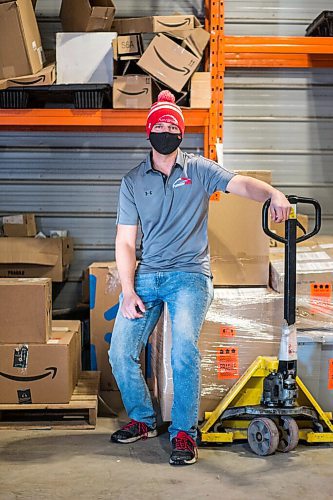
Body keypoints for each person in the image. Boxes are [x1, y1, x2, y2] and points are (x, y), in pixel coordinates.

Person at [109, 90, 291, 466]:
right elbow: (125, 242)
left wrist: (272, 193)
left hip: (190, 275)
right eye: (159, 125)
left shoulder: (198, 169)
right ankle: (143, 419)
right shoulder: (131, 182)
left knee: (183, 349)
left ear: (181, 133)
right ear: (149, 131)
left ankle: (183, 433)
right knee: (119, 351)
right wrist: (128, 291)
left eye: (172, 126)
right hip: (148, 275)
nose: (165, 130)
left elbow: (241, 184)